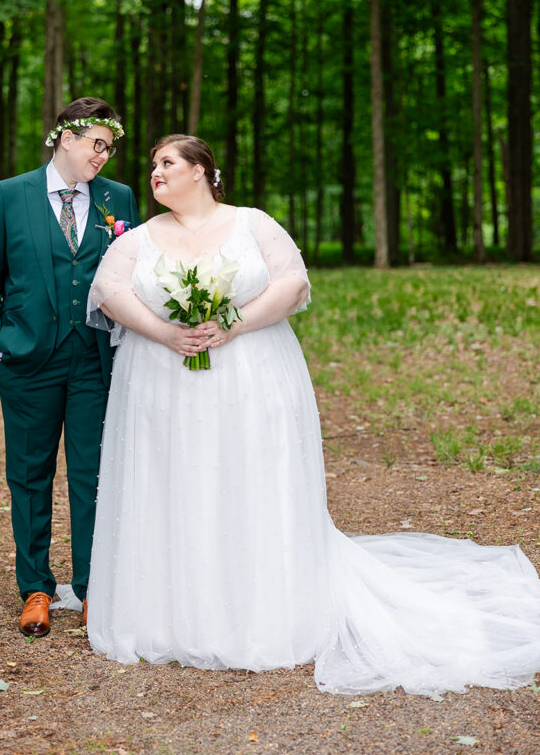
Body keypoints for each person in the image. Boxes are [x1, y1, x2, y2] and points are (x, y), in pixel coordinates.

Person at [78, 133, 540, 695]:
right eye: (153, 166)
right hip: (159, 381)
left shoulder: (253, 223)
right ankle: (169, 614)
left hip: (250, 373)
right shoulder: (142, 237)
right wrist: (166, 332)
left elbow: (293, 283)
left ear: (201, 170)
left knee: (246, 480)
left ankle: (261, 611)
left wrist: (232, 323)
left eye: (167, 163)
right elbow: (108, 289)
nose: (155, 173)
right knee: (172, 481)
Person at [0, 97, 139, 638]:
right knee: (29, 474)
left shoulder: (120, 199)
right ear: (65, 137)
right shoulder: (9, 195)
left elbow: (132, 274)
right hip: (27, 361)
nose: (103, 157)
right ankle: (36, 588)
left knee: (92, 474)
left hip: (93, 358)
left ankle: (91, 588)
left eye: (109, 148)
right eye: (96, 144)